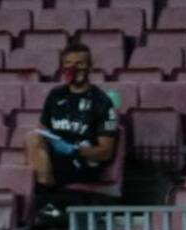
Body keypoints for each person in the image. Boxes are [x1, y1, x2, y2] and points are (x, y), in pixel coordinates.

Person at [23, 41, 119, 215]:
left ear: (90, 67)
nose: (73, 69)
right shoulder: (55, 95)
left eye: (80, 64)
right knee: (31, 141)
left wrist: (73, 150)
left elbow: (106, 151)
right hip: (55, 158)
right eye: (68, 64)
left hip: (83, 161)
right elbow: (42, 131)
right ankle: (46, 205)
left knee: (35, 167)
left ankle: (44, 202)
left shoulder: (101, 101)